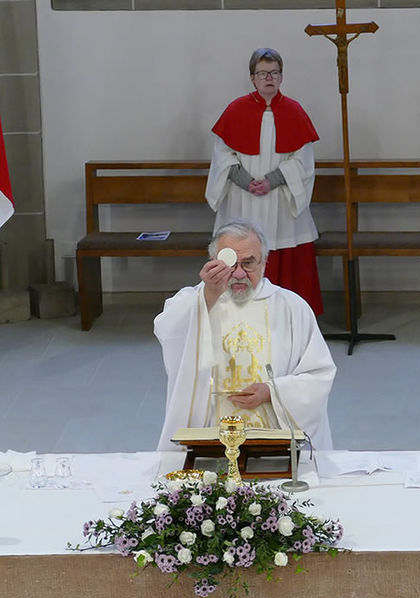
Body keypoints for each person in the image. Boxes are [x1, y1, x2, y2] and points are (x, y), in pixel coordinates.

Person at [154, 219, 335, 452]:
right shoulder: (195, 301)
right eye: (230, 264)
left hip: (273, 434)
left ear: (264, 262)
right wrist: (208, 295)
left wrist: (273, 390)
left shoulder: (291, 307)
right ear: (213, 262)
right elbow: (168, 331)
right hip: (209, 433)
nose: (238, 273)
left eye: (248, 263)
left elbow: (318, 374)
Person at [206, 48, 324, 316]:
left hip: (281, 198)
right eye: (262, 73)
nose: (268, 78)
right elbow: (222, 155)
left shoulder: (294, 111)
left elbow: (303, 160)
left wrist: (272, 180)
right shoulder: (235, 110)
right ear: (252, 78)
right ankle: (235, 315)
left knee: (284, 252)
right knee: (240, 250)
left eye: (274, 73)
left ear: (281, 77)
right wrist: (245, 180)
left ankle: (290, 318)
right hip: (243, 198)